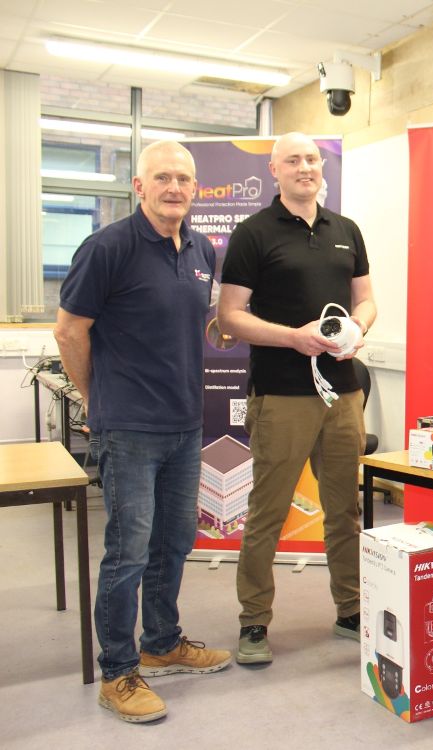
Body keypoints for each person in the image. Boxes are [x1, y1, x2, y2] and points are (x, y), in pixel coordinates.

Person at [55, 140, 231, 723]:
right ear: (139, 187)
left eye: (184, 178)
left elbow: (194, 320)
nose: (174, 187)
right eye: (162, 177)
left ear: (195, 189)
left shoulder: (202, 247)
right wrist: (96, 399)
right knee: (127, 554)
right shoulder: (107, 247)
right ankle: (118, 672)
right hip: (128, 428)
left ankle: (161, 643)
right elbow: (69, 332)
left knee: (174, 542)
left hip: (184, 423)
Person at [217, 132, 376, 666]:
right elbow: (230, 317)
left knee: (344, 510)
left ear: (321, 167)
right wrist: (293, 337)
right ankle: (254, 623)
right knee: (268, 510)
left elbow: (368, 299)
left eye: (311, 159)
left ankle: (351, 611)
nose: (304, 168)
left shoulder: (345, 230)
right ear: (274, 169)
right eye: (293, 160)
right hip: (282, 393)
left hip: (343, 392)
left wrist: (357, 326)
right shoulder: (253, 233)